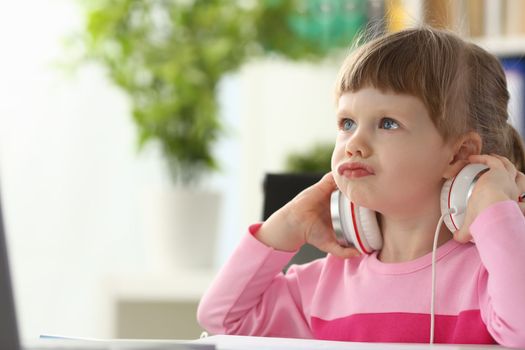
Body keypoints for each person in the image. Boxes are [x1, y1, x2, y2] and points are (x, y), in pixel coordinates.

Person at [197, 27, 525, 348]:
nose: (354, 143)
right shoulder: (325, 285)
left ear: (459, 153)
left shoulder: (491, 275)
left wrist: (495, 205)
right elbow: (224, 320)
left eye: (387, 123)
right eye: (347, 123)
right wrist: (289, 223)